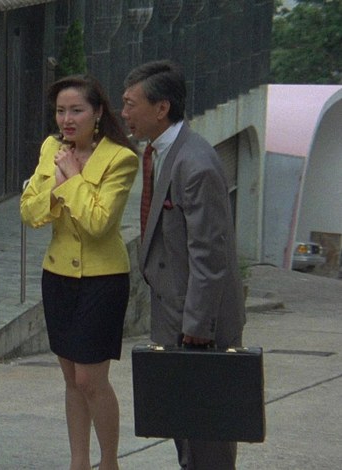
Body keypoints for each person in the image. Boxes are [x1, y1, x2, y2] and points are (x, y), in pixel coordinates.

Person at [121, 60, 246, 469]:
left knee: (207, 440)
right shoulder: (161, 153)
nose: (124, 113)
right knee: (185, 434)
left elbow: (210, 255)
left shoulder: (196, 163)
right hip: (173, 315)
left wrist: (196, 327)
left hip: (199, 327)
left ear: (162, 108)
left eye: (131, 104)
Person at [20, 75, 139, 470]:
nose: (67, 119)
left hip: (102, 280)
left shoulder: (120, 158)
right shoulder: (51, 148)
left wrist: (71, 178)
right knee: (71, 379)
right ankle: (79, 462)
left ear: (98, 112)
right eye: (60, 111)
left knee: (91, 379)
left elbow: (98, 223)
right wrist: (56, 188)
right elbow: (30, 212)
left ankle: (109, 462)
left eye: (76, 110)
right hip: (57, 276)